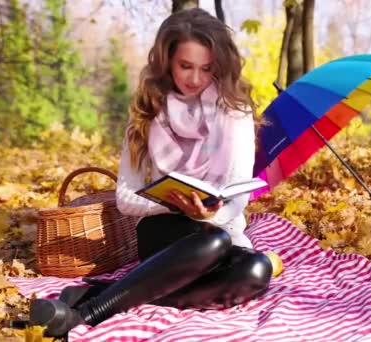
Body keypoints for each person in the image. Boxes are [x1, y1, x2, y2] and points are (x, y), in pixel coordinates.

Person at [28, 8, 272, 337]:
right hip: (163, 233)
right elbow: (126, 197)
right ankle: (87, 315)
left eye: (206, 68)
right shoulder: (147, 112)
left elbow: (238, 196)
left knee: (256, 269)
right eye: (185, 66)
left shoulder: (234, 111)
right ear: (166, 61)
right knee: (212, 239)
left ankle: (97, 293)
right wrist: (174, 204)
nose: (196, 79)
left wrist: (209, 213)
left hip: (221, 230)